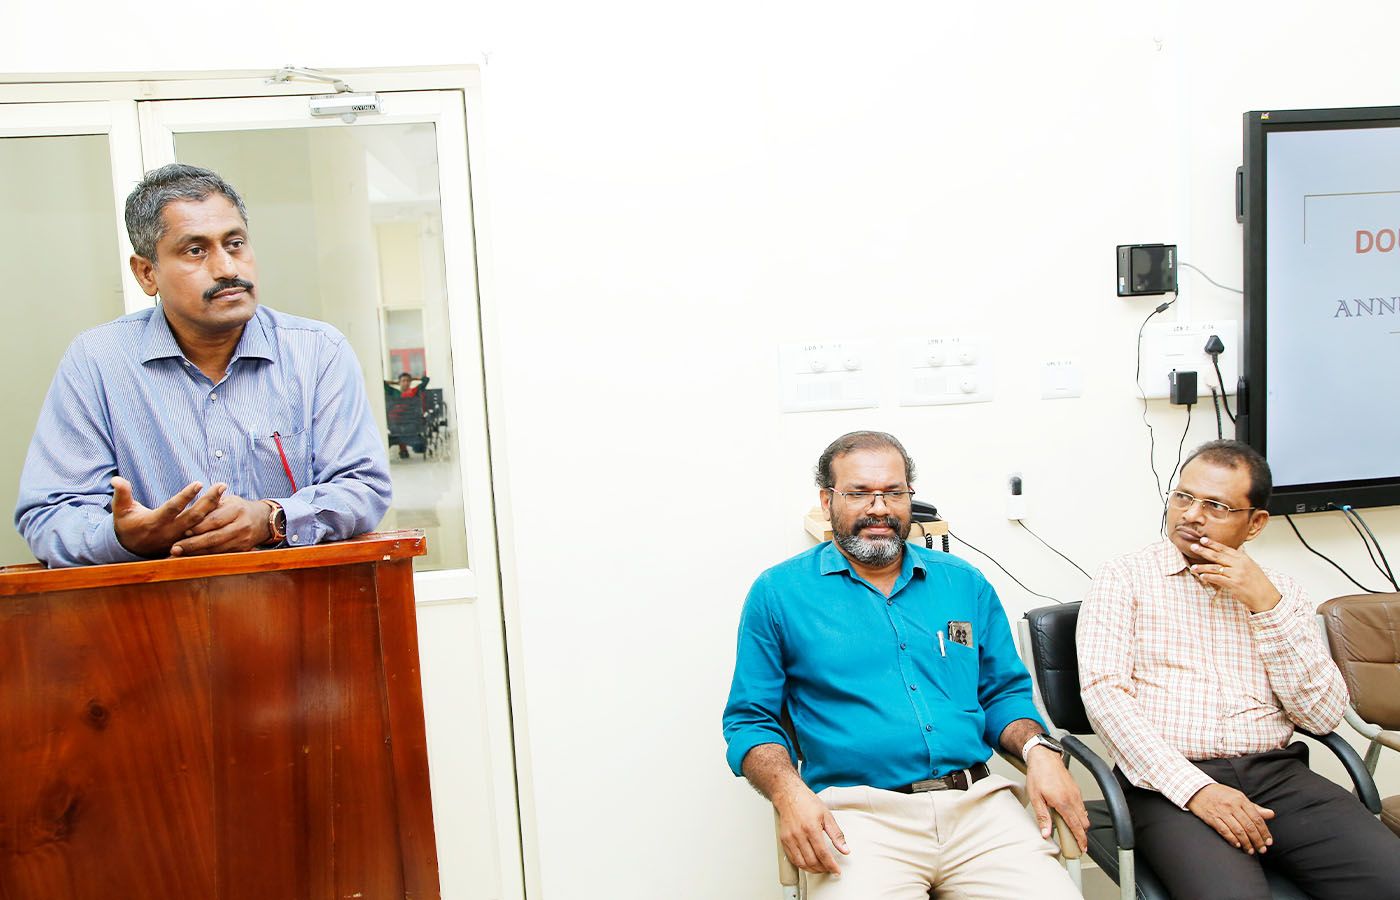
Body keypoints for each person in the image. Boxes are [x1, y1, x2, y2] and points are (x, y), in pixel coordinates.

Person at [722, 431, 1088, 898]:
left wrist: (1039, 750)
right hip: (857, 818)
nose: (879, 508)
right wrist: (788, 793)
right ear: (827, 501)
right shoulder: (779, 594)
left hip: (977, 806)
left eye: (893, 492)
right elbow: (751, 721)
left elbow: (1003, 694)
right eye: (859, 493)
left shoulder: (964, 584)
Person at [14, 163, 391, 568]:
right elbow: (49, 515)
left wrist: (271, 518)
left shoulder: (317, 352)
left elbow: (363, 486)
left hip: (300, 599)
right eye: (196, 251)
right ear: (146, 273)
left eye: (235, 244)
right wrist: (123, 538)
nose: (227, 269)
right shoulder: (98, 362)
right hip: (157, 603)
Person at [1078, 439, 1400, 899]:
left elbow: (1322, 717)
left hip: (1279, 777)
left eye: (1215, 506)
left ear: (1255, 523)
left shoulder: (1280, 592)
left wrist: (1266, 607)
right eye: (1183, 497)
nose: (1191, 515)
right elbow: (1105, 696)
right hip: (1168, 786)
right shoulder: (1123, 578)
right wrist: (1197, 790)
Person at [383, 372, 430, 459]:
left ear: (410, 382)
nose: (406, 383)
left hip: (399, 425)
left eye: (408, 381)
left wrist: (395, 383)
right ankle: (403, 450)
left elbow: (426, 380)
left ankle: (403, 450)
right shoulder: (413, 392)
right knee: (402, 427)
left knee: (401, 428)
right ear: (399, 382)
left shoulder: (395, 392)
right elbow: (426, 380)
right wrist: (416, 379)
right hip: (403, 425)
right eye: (403, 381)